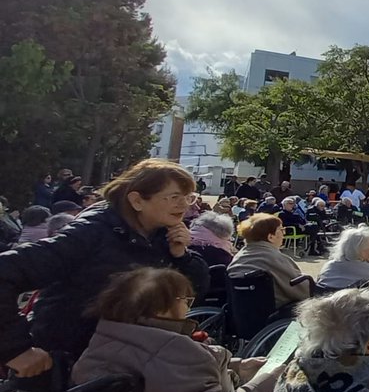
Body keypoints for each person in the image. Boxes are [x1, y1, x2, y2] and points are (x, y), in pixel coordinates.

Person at [0, 159, 211, 375]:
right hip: (65, 372)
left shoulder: (160, 234)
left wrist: (182, 256)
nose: (185, 205)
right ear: (137, 200)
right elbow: (6, 271)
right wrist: (15, 349)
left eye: (188, 197)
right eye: (175, 197)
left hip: (123, 369)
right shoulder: (91, 233)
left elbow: (192, 296)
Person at [72, 267, 279, 392]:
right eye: (185, 301)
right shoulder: (173, 349)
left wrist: (236, 367)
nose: (189, 308)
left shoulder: (108, 336)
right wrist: (269, 380)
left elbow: (167, 376)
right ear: (159, 308)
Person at [227, 213, 310, 308]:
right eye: (281, 230)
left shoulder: (239, 257)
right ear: (270, 237)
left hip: (243, 315)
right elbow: (303, 291)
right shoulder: (274, 258)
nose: (284, 234)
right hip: (277, 315)